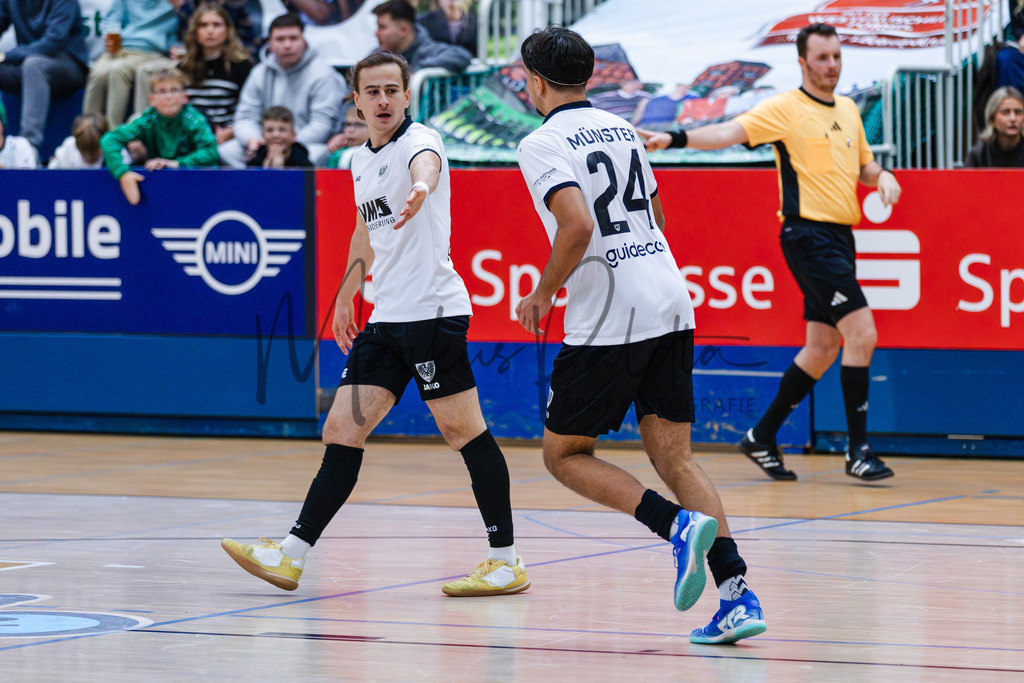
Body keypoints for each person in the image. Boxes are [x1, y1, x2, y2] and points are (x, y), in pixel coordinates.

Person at [222, 50, 530, 599]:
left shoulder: (421, 143)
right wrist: (346, 292)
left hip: (433, 315)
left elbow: (426, 169)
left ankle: (505, 559)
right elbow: (366, 231)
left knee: (464, 431)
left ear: (407, 96)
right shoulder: (358, 162)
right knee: (342, 429)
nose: (383, 100)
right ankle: (291, 556)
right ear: (356, 100)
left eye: (393, 90)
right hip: (386, 319)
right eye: (373, 91)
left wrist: (420, 188)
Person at [514, 26, 765, 645]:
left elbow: (573, 226)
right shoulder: (622, 130)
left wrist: (543, 293)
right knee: (676, 456)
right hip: (668, 296)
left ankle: (673, 526)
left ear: (537, 81)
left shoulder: (542, 142)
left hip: (611, 315)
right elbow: (652, 216)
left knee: (564, 454)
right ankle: (736, 594)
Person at [640, 23, 902, 482]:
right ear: (802, 62)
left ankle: (762, 435)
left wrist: (880, 175)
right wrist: (674, 138)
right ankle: (858, 451)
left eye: (837, 57)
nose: (832, 66)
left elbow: (862, 163)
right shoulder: (785, 109)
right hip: (808, 237)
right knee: (862, 335)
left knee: (821, 348)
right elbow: (729, 132)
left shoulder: (847, 109)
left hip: (842, 237)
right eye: (822, 58)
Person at [220, 12, 346, 167]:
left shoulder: (324, 74)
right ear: (270, 43)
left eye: (293, 38)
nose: (287, 45)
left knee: (319, 154)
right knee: (227, 151)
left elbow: (322, 124)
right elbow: (245, 118)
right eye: (280, 39)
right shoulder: (259, 73)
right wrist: (254, 140)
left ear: (304, 40)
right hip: (264, 142)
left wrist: (289, 145)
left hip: (304, 144)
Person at [100, 68, 218, 205]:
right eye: (162, 91)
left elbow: (211, 152)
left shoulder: (194, 119)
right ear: (152, 99)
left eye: (174, 90)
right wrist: (123, 173)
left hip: (198, 184)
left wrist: (176, 164)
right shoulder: (147, 120)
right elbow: (109, 140)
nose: (169, 96)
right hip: (158, 186)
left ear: (185, 97)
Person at [0, 0, 90, 160]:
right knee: (31, 64)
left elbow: (52, 42)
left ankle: (29, 148)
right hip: (27, 64)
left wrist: (7, 56)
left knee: (33, 64)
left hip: (68, 66)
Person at [82, 0, 179, 127]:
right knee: (98, 72)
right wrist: (110, 34)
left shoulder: (175, 5)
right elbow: (112, 21)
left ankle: (114, 133)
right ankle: (86, 132)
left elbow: (176, 35)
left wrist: (175, 47)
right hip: (120, 50)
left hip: (152, 53)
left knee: (118, 70)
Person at [177, 2, 254, 145]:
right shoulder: (182, 68)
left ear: (227, 30)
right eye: (203, 25)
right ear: (195, 31)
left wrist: (232, 131)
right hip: (189, 136)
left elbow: (249, 110)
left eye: (216, 25)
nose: (210, 30)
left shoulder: (242, 67)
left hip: (228, 136)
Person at [372, 0, 472, 73]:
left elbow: (462, 55)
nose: (376, 33)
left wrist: (417, 71)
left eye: (382, 27)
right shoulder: (378, 53)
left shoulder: (427, 51)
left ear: (404, 30)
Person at [964, 86, 1024, 167]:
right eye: (1005, 112)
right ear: (992, 119)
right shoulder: (978, 156)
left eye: (1018, 112)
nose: (1013, 118)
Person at [246, 105, 313, 167]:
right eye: (270, 130)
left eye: (282, 130)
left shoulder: (301, 159)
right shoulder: (258, 156)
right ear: (263, 135)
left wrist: (279, 169)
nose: (276, 135)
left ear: (293, 135)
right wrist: (265, 168)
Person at [323, 102, 369, 168]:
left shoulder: (378, 155)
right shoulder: (337, 154)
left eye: (358, 125)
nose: (350, 130)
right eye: (347, 125)